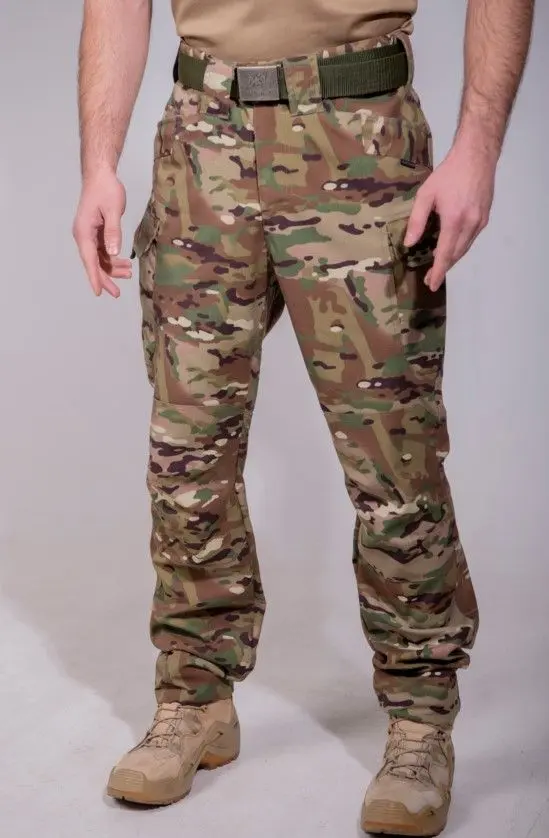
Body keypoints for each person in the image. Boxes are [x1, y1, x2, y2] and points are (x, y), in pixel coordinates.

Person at [73, 1, 535, 834]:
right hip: (202, 140)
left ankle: (420, 721)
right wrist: (98, 164)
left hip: (358, 129)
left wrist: (478, 147)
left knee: (392, 461)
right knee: (187, 456)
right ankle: (195, 699)